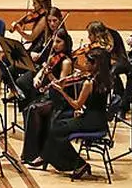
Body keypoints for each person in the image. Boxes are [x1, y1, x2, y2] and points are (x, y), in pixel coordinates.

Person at [36, 47, 112, 179]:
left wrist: (61, 91)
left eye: (88, 62)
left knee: (56, 129)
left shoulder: (89, 83)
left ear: (96, 64)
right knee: (57, 125)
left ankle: (79, 164)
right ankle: (48, 156)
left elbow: (77, 104)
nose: (85, 64)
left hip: (90, 121)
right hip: (99, 120)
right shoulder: (105, 78)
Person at [20, 28, 75, 164]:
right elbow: (41, 74)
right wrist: (38, 78)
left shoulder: (66, 62)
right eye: (54, 41)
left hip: (61, 100)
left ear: (65, 43)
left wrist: (49, 74)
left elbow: (60, 85)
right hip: (50, 96)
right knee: (28, 109)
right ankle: (33, 152)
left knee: (34, 110)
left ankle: (35, 154)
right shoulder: (53, 57)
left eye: (59, 42)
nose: (55, 44)